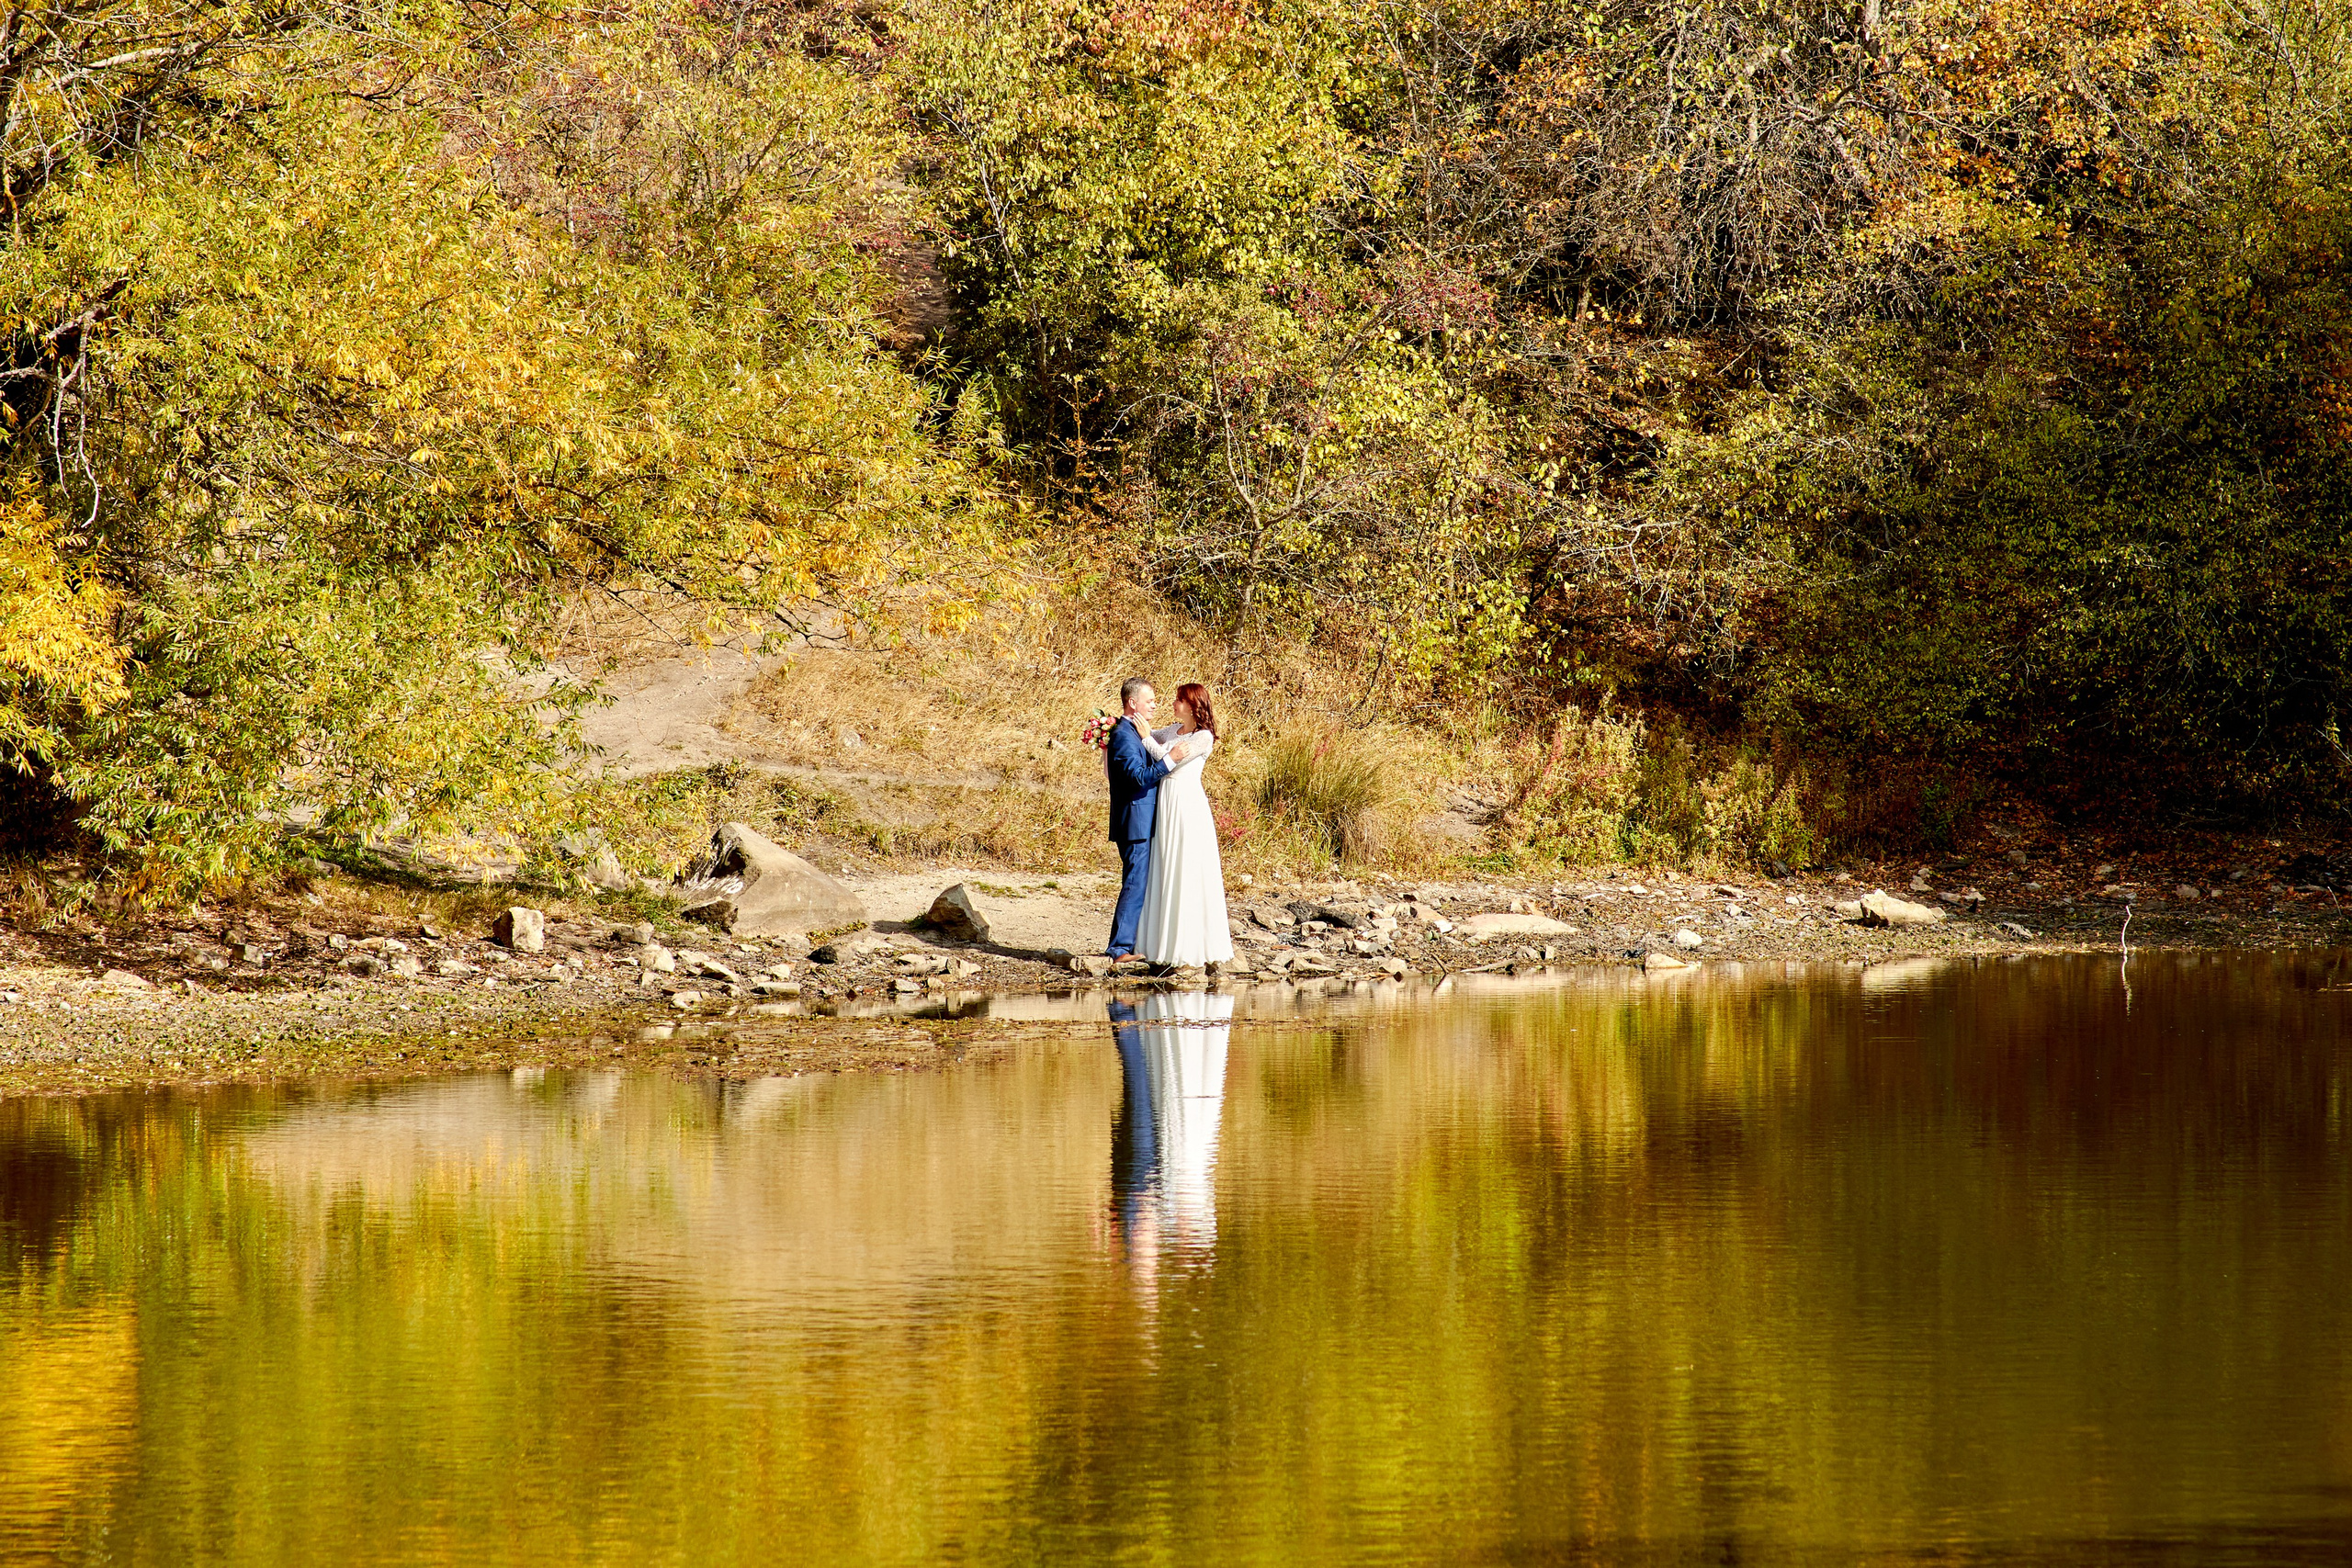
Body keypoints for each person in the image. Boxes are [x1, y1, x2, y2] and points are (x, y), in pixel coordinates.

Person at [1132, 682, 1235, 970]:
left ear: (1191, 705)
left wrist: (1145, 738)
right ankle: (1157, 942)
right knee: (1165, 865)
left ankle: (1188, 945)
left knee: (1186, 866)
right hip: (1165, 803)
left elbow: (1172, 761)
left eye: (1179, 700)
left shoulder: (1203, 737)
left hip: (1187, 804)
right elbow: (1147, 735)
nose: (1173, 704)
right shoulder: (1171, 730)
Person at [1104, 679, 1200, 959]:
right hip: (1135, 822)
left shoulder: (1132, 732)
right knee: (1134, 884)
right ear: (1132, 703)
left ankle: (1129, 945)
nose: (1155, 705)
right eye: (1150, 701)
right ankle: (1119, 949)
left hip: (1142, 820)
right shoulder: (1123, 735)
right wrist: (1169, 760)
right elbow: (1136, 778)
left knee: (1139, 883)